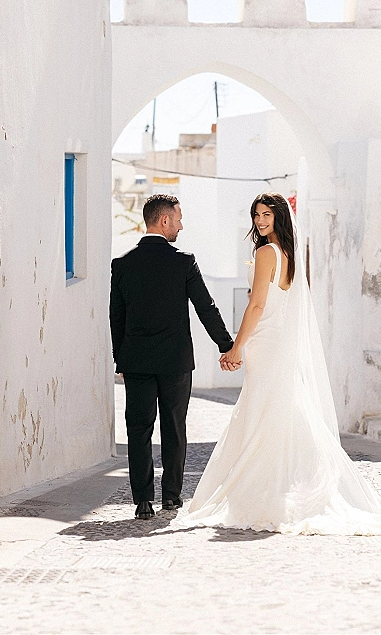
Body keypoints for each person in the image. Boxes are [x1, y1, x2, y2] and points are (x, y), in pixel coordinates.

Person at [174, 193, 381, 535]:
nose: (260, 221)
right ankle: (285, 485)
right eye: (256, 215)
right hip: (278, 341)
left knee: (262, 412)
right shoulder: (289, 254)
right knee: (278, 409)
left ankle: (266, 489)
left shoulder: (265, 252)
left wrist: (236, 347)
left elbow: (256, 305)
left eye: (267, 214)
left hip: (265, 342)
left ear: (280, 217)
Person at [110, 194, 234, 520]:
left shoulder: (122, 265)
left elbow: (116, 319)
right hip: (175, 361)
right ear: (164, 220)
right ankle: (171, 498)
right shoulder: (183, 261)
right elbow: (205, 307)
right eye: (178, 218)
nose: (181, 225)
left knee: (139, 429)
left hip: (136, 361)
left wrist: (120, 360)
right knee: (174, 428)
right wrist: (226, 345)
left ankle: (142, 501)